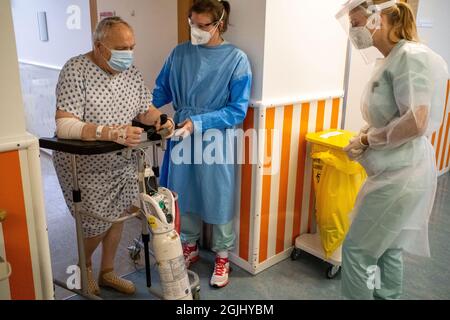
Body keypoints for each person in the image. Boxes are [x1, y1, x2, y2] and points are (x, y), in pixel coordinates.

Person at [53, 17, 175, 296]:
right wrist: (108, 132)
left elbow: (146, 109)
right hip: (85, 165)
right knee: (96, 221)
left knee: (118, 214)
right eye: (121, 48)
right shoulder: (76, 69)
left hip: (122, 160)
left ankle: (107, 272)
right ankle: (83, 270)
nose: (128, 54)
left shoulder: (130, 71)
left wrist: (161, 120)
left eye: (132, 47)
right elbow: (64, 124)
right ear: (99, 46)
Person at [335, 0, 448, 299]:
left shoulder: (410, 57)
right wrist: (367, 132)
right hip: (395, 169)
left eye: (356, 23)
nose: (353, 31)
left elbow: (416, 121)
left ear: (379, 19)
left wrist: (368, 140)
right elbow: (394, 115)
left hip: (401, 174)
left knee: (357, 251)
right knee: (388, 249)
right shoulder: (389, 59)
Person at [152, 0, 252, 288]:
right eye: (191, 23)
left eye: (202, 25)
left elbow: (237, 110)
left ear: (220, 23)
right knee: (183, 192)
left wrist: (199, 123)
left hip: (215, 136)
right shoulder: (179, 53)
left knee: (218, 193)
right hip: (181, 133)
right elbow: (161, 91)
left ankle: (222, 255)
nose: (195, 30)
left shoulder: (236, 59)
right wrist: (142, 110)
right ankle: (190, 245)